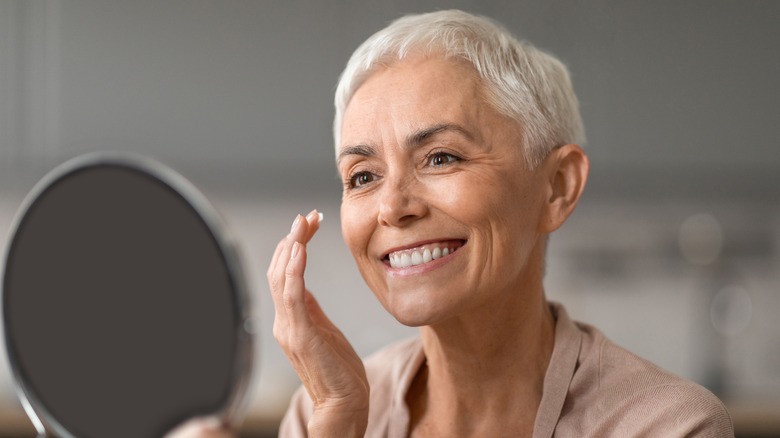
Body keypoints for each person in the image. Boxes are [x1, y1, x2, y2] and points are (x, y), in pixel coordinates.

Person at [170, 9, 734, 438]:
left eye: (441, 157)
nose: (394, 206)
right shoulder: (325, 411)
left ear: (556, 187)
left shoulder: (668, 426)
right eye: (363, 176)